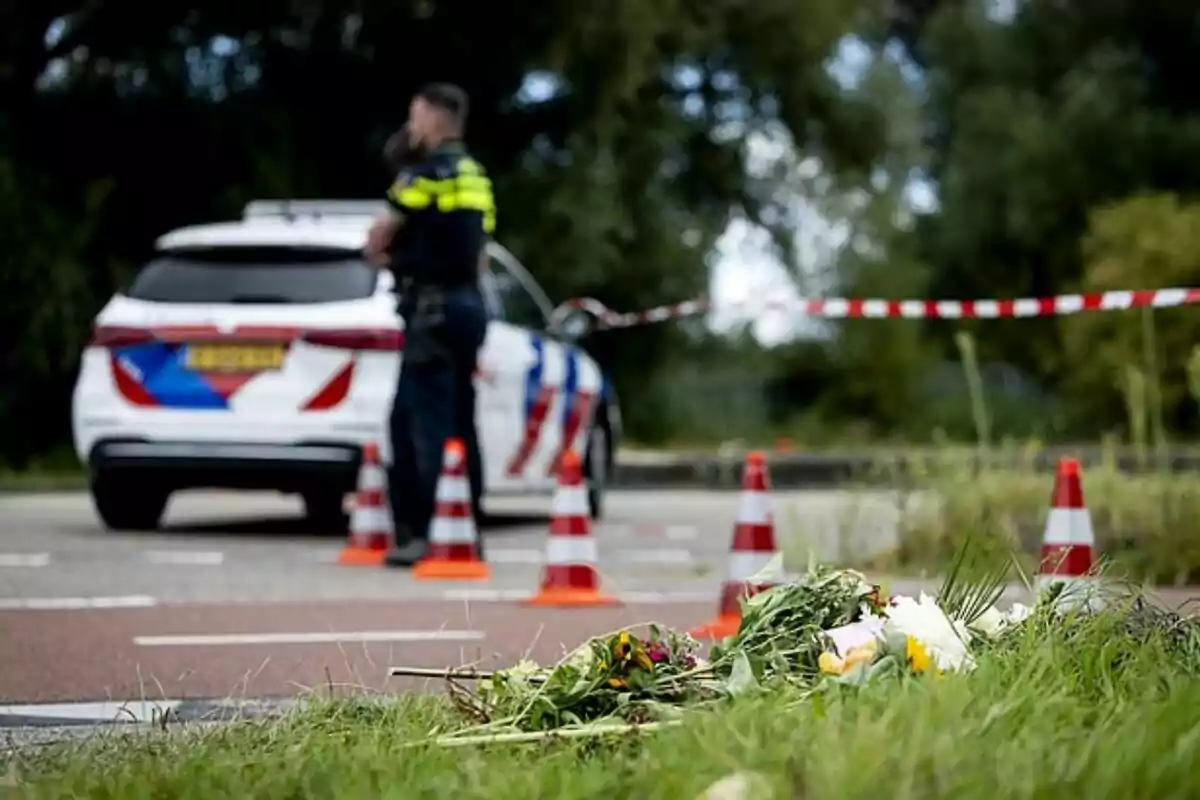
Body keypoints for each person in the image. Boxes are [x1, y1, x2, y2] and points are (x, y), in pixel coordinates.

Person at [365, 83, 494, 566]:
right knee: (462, 420)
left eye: (415, 117)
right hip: (467, 307)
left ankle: (422, 532)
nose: (410, 128)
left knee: (416, 423)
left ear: (435, 120)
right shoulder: (475, 175)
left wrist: (380, 256)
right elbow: (479, 251)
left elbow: (380, 233)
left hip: (430, 312)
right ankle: (465, 526)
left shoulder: (421, 175)